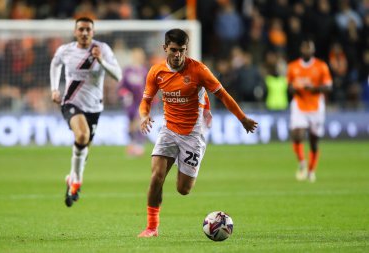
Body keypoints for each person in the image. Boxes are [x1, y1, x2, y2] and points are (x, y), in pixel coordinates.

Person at [137, 28, 258, 237]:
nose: (177, 55)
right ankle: (151, 227)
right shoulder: (156, 72)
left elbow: (224, 95)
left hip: (193, 135)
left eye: (181, 50)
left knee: (183, 190)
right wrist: (143, 116)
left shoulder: (198, 70)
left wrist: (242, 118)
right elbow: (145, 101)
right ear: (165, 48)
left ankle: (183, 164)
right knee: (156, 176)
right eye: (173, 50)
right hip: (168, 130)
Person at [49, 17, 122, 207]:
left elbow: (118, 75)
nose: (84, 33)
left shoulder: (103, 49)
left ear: (93, 32)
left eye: (88, 29)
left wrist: (101, 61)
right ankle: (77, 181)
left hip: (94, 107)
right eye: (80, 29)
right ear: (75, 32)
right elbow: (55, 64)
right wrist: (55, 89)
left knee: (84, 147)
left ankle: (72, 178)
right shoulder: (65, 50)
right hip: (71, 102)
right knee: (82, 136)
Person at [287, 38, 332, 183]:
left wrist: (315, 89)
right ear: (301, 50)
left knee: (314, 142)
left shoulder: (321, 66)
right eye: (305, 48)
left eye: (309, 48)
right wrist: (292, 89)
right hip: (299, 105)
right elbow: (289, 86)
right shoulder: (293, 67)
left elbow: (329, 86)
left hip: (316, 107)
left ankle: (311, 171)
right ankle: (302, 162)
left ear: (313, 50)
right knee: (297, 135)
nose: (307, 50)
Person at [118, 48, 148, 157]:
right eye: (136, 55)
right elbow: (121, 86)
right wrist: (125, 94)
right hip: (130, 102)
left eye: (140, 55)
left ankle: (139, 145)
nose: (138, 57)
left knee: (138, 121)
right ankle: (132, 144)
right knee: (131, 124)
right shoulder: (127, 71)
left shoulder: (145, 71)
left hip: (141, 102)